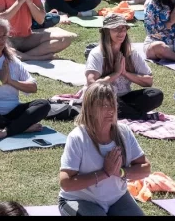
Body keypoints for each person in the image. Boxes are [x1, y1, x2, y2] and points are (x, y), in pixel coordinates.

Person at [58, 83, 150, 216]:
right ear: (90, 109)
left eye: (112, 104)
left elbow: (145, 168)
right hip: (80, 200)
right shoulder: (78, 137)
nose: (110, 110)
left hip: (117, 199)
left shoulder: (124, 132)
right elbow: (66, 183)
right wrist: (105, 173)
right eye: (103, 105)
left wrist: (120, 172)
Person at [85, 13, 162, 120]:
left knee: (156, 94)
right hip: (104, 97)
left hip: (124, 97)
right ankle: (139, 116)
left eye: (123, 28)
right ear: (107, 31)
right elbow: (91, 85)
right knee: (106, 99)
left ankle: (125, 113)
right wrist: (115, 74)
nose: (121, 32)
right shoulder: (97, 53)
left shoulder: (131, 52)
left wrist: (125, 73)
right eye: (116, 29)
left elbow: (149, 81)